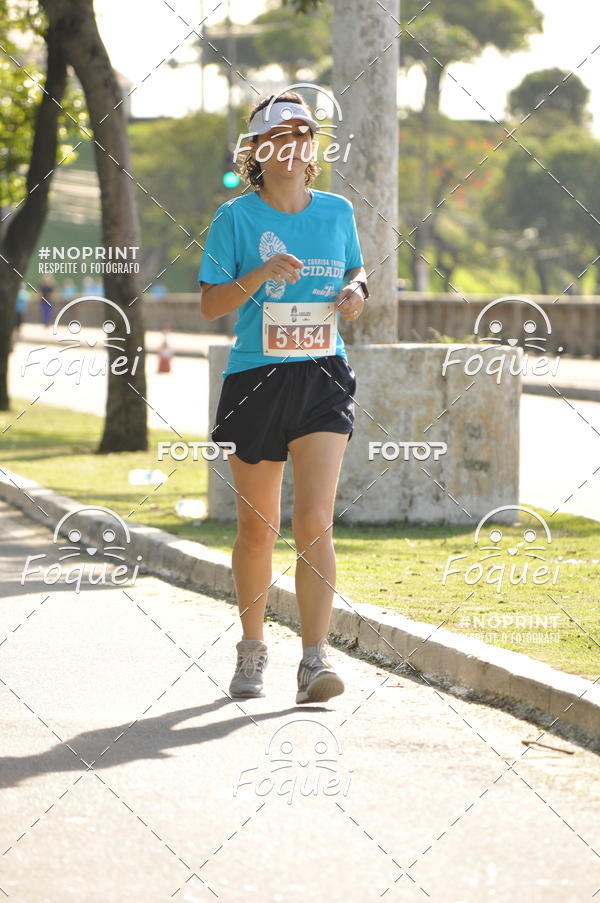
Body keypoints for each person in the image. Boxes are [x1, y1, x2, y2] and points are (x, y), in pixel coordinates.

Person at [198, 91, 369, 704]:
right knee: (257, 529)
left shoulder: (337, 211)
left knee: (315, 519)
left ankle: (315, 659)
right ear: (258, 150)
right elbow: (212, 304)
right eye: (280, 135)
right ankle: (251, 651)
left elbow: (356, 271)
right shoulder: (235, 219)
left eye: (303, 134)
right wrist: (259, 276)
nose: (293, 144)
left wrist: (356, 292)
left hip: (322, 372)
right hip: (256, 380)